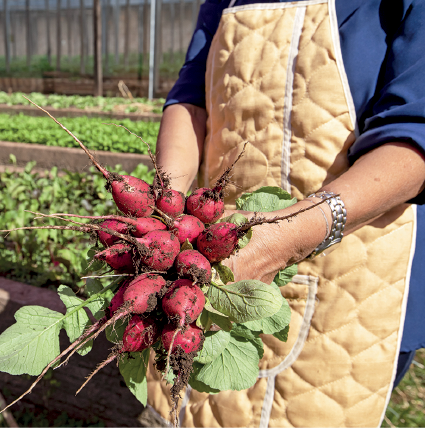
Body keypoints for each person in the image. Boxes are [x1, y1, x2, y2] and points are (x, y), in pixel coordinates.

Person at [146, 0, 425, 426]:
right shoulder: (224, 2)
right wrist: (165, 210)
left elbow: (414, 139)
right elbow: (189, 102)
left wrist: (286, 238)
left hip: (355, 260)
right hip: (218, 254)